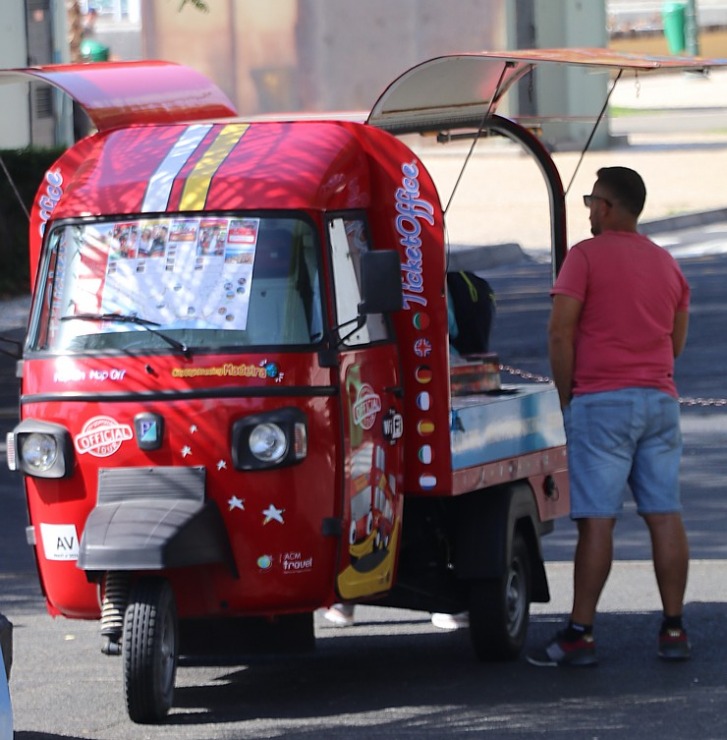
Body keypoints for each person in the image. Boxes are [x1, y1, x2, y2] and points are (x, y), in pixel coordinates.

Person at [527, 167, 691, 668]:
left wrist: (567, 396)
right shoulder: (667, 264)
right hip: (659, 400)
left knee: (597, 521)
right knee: (664, 515)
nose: (589, 210)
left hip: (602, 402)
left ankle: (581, 632)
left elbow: (560, 332)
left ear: (610, 207)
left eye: (592, 201)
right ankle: (674, 627)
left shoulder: (585, 257)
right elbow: (676, 341)